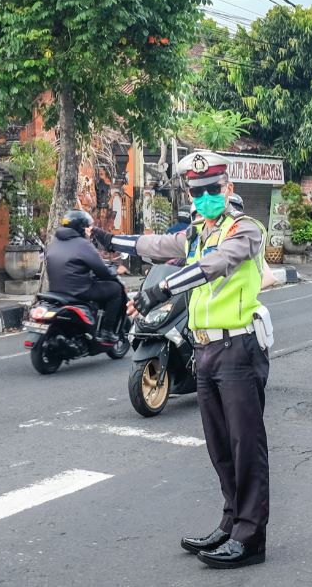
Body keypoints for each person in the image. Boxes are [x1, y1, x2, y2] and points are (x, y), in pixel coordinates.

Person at [92, 150, 269, 569]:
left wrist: (163, 289)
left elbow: (212, 267)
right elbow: (155, 244)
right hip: (206, 350)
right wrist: (109, 239)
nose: (205, 197)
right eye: (198, 191)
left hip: (238, 349)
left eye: (212, 190)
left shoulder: (245, 231)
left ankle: (250, 537)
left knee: (247, 447)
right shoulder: (197, 233)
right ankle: (230, 522)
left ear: (227, 189)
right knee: (220, 446)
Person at [43, 209, 125, 343]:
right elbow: (102, 271)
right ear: (80, 228)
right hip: (80, 291)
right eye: (87, 227)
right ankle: (107, 331)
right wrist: (115, 271)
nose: (89, 230)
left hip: (56, 291)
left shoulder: (54, 242)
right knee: (115, 289)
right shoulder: (83, 245)